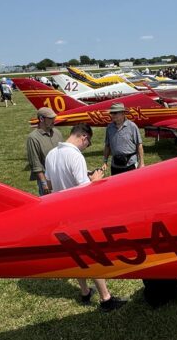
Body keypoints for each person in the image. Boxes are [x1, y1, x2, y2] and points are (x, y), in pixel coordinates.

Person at [45, 124, 127, 312]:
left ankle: (84, 292)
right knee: (92, 255)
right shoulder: (75, 156)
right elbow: (84, 192)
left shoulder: (51, 154)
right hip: (77, 215)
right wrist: (95, 180)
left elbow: (48, 185)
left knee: (75, 256)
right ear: (83, 136)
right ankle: (106, 298)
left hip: (59, 213)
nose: (87, 146)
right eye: (88, 143)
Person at [26, 106, 62, 195]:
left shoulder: (57, 133)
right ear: (41, 119)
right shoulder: (33, 138)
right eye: (50, 118)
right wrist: (44, 183)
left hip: (62, 176)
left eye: (54, 118)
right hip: (47, 180)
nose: (54, 120)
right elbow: (36, 164)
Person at [103, 102, 144, 175]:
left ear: (122, 113)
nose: (113, 115)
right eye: (112, 113)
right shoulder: (109, 128)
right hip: (115, 165)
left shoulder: (132, 126)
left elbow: (139, 145)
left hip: (130, 165)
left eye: (115, 113)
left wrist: (141, 162)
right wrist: (105, 161)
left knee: (131, 185)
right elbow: (107, 146)